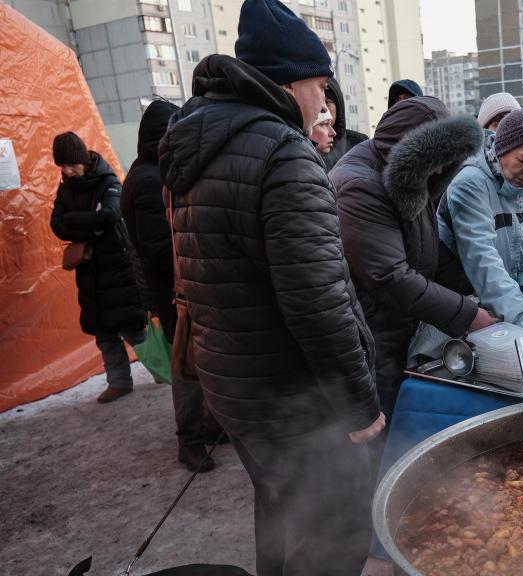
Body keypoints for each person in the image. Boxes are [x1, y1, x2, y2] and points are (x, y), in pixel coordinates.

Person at [158, 1, 385, 573]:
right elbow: (318, 301)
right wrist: (359, 406)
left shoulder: (197, 144)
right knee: (334, 529)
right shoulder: (285, 153)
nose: (325, 103)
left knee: (279, 507)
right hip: (293, 396)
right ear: (288, 83)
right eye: (319, 86)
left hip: (234, 384)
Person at [329, 96, 494, 421]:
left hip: (400, 328)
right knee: (384, 432)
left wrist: (478, 295)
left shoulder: (412, 177)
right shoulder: (359, 187)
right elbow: (391, 276)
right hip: (372, 337)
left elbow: (429, 251)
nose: (441, 169)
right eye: (435, 159)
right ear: (408, 153)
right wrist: (467, 314)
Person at [120, 100, 219, 472]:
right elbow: (161, 247)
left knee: (198, 365)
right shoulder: (148, 180)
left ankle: (208, 428)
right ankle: (190, 441)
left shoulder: (152, 173)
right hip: (173, 294)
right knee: (186, 369)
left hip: (178, 290)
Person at [49, 132, 147, 404]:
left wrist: (75, 221)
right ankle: (119, 383)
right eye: (62, 166)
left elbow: (110, 215)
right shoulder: (65, 187)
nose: (66, 170)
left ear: (80, 159)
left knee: (134, 327)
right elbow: (56, 223)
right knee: (103, 331)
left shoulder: (107, 180)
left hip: (116, 266)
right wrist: (91, 226)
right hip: (89, 271)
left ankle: (162, 371)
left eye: (69, 164)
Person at [439, 108, 523, 329]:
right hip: (464, 302)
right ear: (503, 149)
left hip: (504, 302)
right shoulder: (470, 183)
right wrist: (519, 315)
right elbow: (481, 257)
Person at [322, 77, 369, 170]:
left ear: (338, 106)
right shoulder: (303, 144)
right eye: (319, 101)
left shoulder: (359, 143)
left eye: (327, 102)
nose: (323, 108)